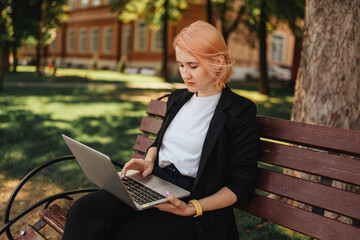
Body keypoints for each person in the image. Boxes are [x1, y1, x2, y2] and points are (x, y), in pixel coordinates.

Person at [62, 20, 259, 240]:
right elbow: (159, 143)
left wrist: (191, 207)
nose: (185, 74)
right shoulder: (178, 99)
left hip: (191, 201)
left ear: (218, 62)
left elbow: (242, 185)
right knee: (83, 213)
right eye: (181, 65)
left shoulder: (239, 112)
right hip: (155, 182)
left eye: (193, 66)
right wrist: (148, 161)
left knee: (125, 233)